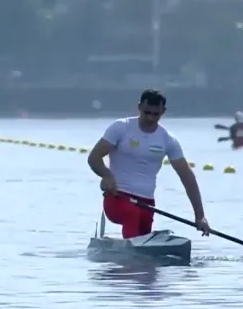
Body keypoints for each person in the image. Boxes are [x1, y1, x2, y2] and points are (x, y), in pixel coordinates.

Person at [87, 89, 211, 239]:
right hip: (117, 198)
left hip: (147, 202)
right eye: (147, 112)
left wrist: (200, 216)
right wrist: (106, 175)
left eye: (155, 114)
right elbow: (94, 157)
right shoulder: (121, 128)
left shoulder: (168, 140)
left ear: (163, 112)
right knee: (132, 214)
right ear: (139, 107)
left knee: (143, 233)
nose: (150, 118)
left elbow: (187, 178)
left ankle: (141, 257)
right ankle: (132, 255)